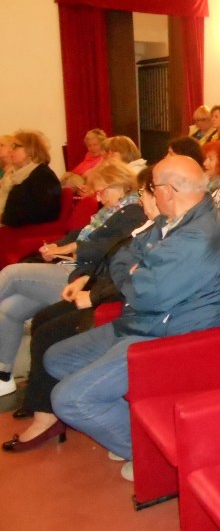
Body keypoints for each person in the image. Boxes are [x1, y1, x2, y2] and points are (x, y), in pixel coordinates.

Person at [44, 155, 220, 476]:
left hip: (169, 338)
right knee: (56, 358)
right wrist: (133, 271)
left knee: (68, 399)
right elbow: (123, 254)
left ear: (169, 191)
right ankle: (132, 428)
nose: (146, 194)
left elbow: (145, 295)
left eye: (152, 187)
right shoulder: (169, 220)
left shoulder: (201, 236)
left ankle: (153, 456)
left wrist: (136, 271)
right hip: (140, 322)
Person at [3, 167, 158, 451]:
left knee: (43, 320)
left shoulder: (140, 219)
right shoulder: (141, 222)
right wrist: (83, 277)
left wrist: (93, 291)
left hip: (113, 301)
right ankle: (38, 397)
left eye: (144, 194)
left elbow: (122, 269)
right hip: (96, 283)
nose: (97, 198)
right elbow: (108, 259)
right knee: (41, 317)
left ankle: (46, 415)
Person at [0, 130, 61, 227]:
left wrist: (3, 218)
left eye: (15, 146)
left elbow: (43, 212)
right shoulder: (16, 175)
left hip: (28, 231)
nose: (10, 150)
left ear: (30, 150)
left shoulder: (43, 176)